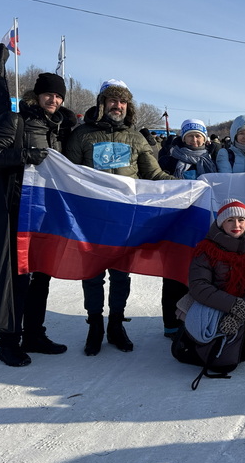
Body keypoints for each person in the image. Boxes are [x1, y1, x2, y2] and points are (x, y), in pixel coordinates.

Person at [0, 43, 77, 366]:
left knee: (41, 276)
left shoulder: (58, 130)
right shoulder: (15, 121)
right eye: (48, 94)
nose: (53, 100)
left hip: (46, 213)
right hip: (18, 210)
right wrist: (23, 156)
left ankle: (34, 333)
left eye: (58, 96)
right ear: (37, 95)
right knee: (17, 278)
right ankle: (8, 342)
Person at [64, 79, 175, 356]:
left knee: (121, 275)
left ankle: (115, 324)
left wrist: (186, 186)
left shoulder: (136, 138)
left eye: (123, 101)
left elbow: (153, 174)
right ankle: (94, 326)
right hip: (92, 219)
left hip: (125, 219)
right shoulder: (82, 135)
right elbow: (68, 173)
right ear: (102, 103)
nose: (118, 105)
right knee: (92, 275)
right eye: (113, 100)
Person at [185, 199, 245, 364]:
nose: (237, 225)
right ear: (221, 223)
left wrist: (242, 310)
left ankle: (240, 348)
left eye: (241, 220)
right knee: (222, 366)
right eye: (230, 220)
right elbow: (199, 286)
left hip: (242, 302)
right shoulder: (206, 249)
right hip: (213, 305)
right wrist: (234, 306)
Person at [157, 118, 218, 338]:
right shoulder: (170, 158)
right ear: (183, 138)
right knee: (174, 275)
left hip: (203, 225)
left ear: (204, 138)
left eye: (198, 136)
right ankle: (171, 324)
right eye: (190, 136)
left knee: (201, 275)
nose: (194, 140)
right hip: (176, 224)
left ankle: (196, 320)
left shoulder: (212, 159)